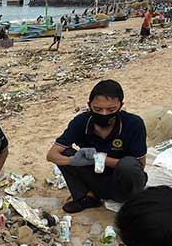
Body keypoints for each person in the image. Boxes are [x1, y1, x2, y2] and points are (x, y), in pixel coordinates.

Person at [46, 80, 147, 213]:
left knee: (128, 164)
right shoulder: (81, 122)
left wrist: (98, 159)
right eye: (97, 109)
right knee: (65, 153)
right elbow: (51, 155)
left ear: (120, 106)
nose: (104, 114)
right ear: (89, 106)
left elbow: (139, 165)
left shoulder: (133, 124)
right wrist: (73, 160)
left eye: (111, 109)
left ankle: (132, 201)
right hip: (95, 177)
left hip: (123, 182)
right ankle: (88, 197)